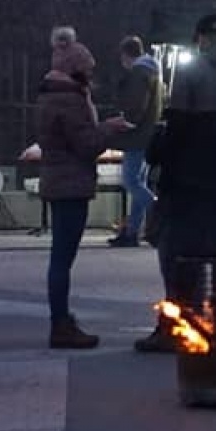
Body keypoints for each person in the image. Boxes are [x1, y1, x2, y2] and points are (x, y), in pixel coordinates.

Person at [134, 14, 216, 353]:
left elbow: (177, 128)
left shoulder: (191, 73)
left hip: (190, 182)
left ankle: (179, 327)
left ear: (200, 39)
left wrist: (161, 159)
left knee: (180, 255)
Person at [38, 27, 127, 350]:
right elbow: (86, 145)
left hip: (58, 181)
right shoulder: (69, 101)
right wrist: (109, 128)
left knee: (60, 258)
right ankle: (60, 324)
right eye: (88, 69)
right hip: (70, 184)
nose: (92, 74)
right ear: (76, 70)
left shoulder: (50, 94)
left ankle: (61, 321)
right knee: (62, 259)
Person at [108, 37, 163, 248]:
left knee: (131, 181)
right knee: (139, 181)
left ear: (125, 55)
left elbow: (136, 104)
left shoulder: (139, 74)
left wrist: (128, 121)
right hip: (149, 133)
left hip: (137, 135)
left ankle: (159, 212)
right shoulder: (154, 72)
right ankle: (132, 230)